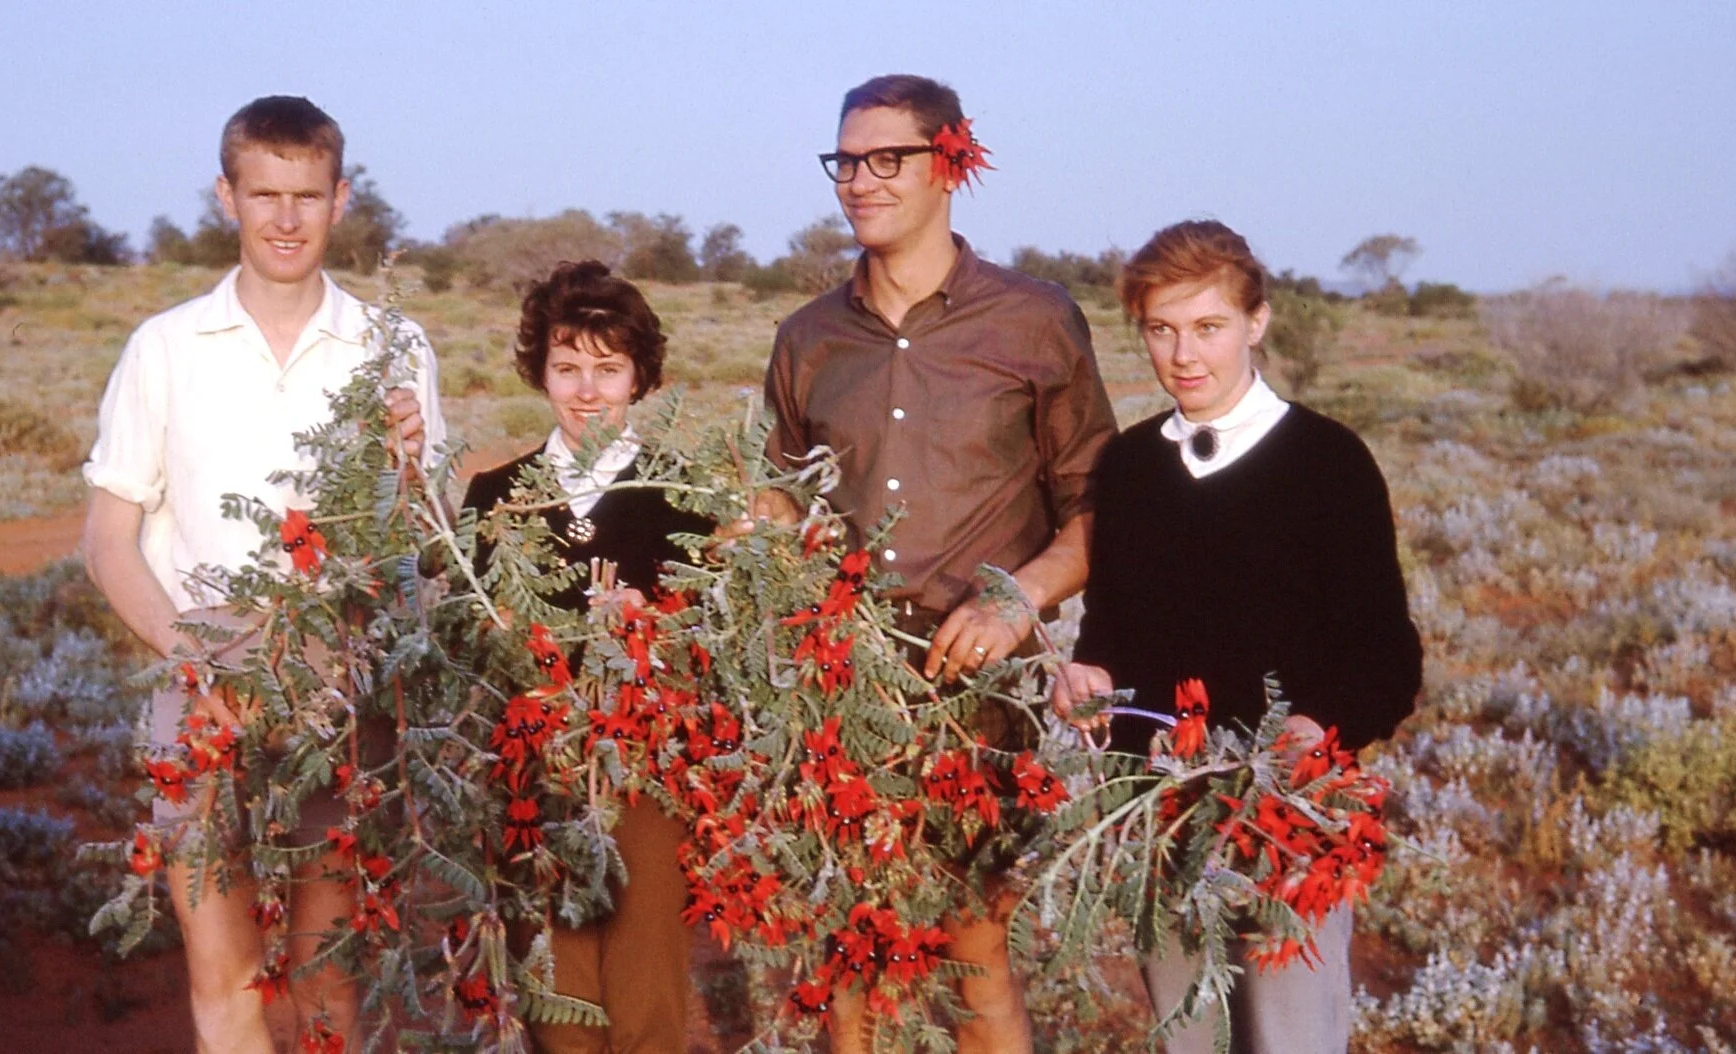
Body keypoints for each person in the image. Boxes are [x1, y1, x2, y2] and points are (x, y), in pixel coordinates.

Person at [763, 74, 1117, 1054]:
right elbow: (778, 499)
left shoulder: (1033, 321)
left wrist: (1018, 596)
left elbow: (1100, 504)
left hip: (982, 694)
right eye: (845, 160)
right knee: (851, 961)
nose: (858, 181)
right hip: (839, 694)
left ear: (950, 162)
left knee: (973, 959)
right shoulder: (806, 340)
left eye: (887, 158)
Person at [80, 95, 444, 1052]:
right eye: (265, 194)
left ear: (341, 199)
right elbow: (108, 538)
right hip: (201, 669)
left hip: (339, 669)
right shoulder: (164, 347)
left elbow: (425, 538)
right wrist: (192, 657)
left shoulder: (393, 348)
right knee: (224, 968)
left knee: (332, 972)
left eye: (307, 196)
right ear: (226, 196)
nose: (286, 218)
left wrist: (409, 464)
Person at [1051, 219, 1423, 1054]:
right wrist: (1088, 683)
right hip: (1163, 808)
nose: (1184, 354)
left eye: (1208, 327)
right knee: (1189, 1038)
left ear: (1255, 323)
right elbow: (1112, 629)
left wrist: (1309, 732)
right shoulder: (1132, 466)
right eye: (1161, 329)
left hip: (1288, 815)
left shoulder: (1328, 462)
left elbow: (1385, 658)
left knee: (1289, 1036)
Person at [461, 259, 711, 1054]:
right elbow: (473, 638)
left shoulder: (683, 495)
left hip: (644, 764)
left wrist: (655, 629)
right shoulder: (496, 495)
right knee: (555, 987)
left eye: (608, 369)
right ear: (539, 371)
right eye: (566, 367)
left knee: (644, 983)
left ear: (641, 377)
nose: (587, 390)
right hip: (533, 765)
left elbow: (708, 639)